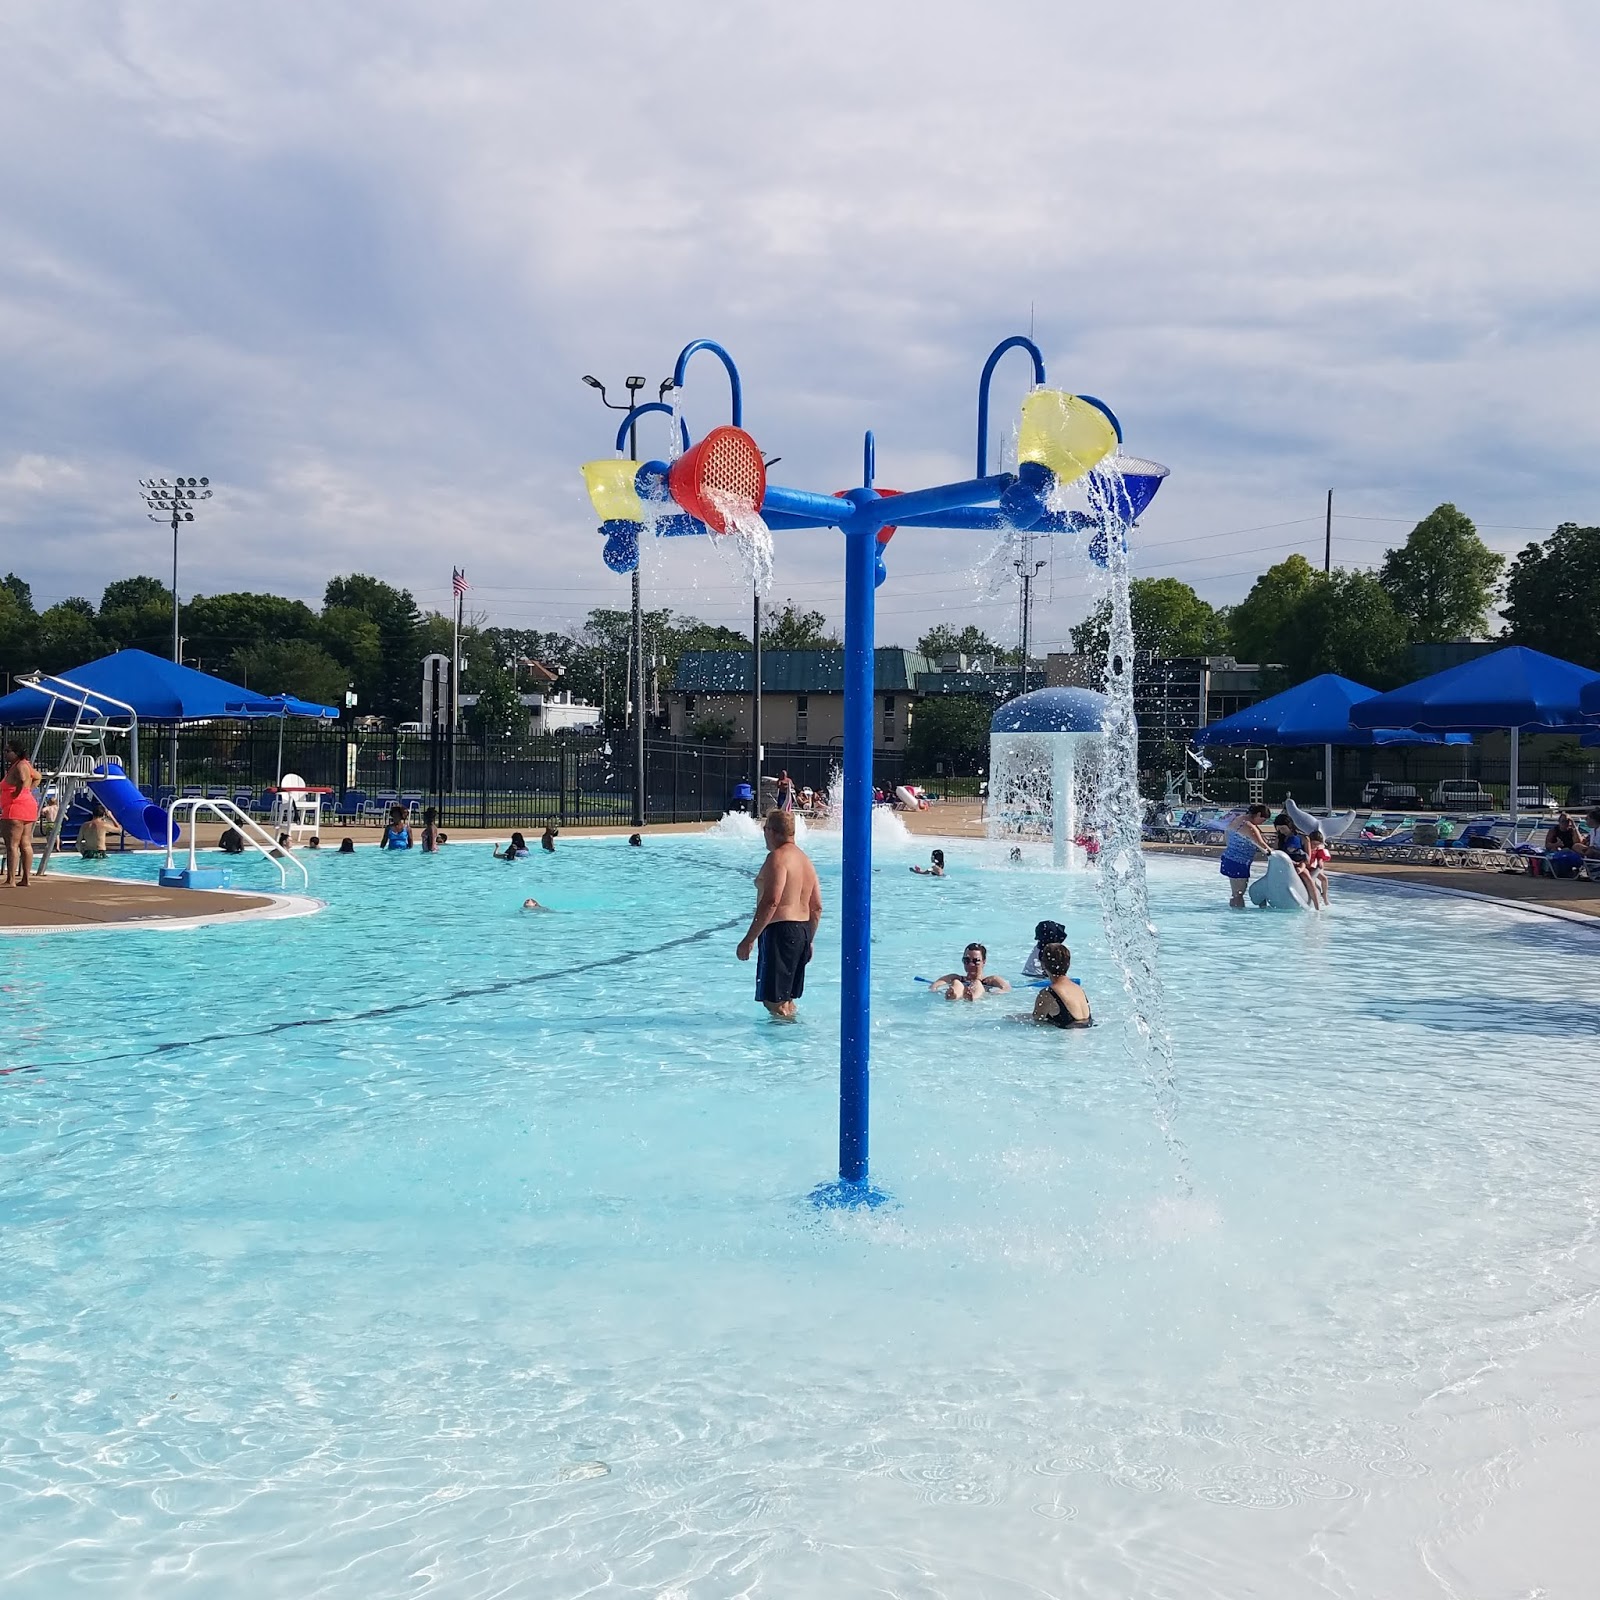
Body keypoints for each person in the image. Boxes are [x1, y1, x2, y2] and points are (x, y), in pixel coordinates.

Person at [737, 808, 822, 1020]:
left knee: (774, 1002)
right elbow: (817, 906)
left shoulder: (777, 858)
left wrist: (749, 939)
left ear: (772, 831)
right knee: (787, 1000)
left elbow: (772, 900)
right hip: (801, 931)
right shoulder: (806, 861)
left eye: (765, 829)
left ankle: (782, 1050)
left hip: (781, 932)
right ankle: (793, 1041)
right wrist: (808, 940)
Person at [2, 739, 42, 887]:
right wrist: (28, 790)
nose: (5, 753)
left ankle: (11, 879)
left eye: (7, 751)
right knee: (25, 843)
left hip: (15, 808)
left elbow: (22, 779)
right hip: (28, 805)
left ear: (16, 752)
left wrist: (17, 792)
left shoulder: (19, 766)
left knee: (12, 844)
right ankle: (26, 878)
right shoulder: (26, 764)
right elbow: (38, 777)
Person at [1220, 804, 1272, 908]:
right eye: (1263, 819)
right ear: (1258, 814)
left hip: (1229, 859)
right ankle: (1238, 917)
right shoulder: (1249, 826)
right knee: (1239, 894)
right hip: (1239, 863)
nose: (1263, 823)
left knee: (1236, 893)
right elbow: (1262, 844)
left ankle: (1234, 914)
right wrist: (1273, 853)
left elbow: (1227, 834)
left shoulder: (1238, 819)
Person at [1031, 943, 1092, 1028]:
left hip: (1066, 1038)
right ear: (1068, 964)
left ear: (1043, 965)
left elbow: (1037, 1020)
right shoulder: (1078, 989)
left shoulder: (1046, 994)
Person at [929, 942, 1012, 1002]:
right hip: (960, 989)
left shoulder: (991, 980)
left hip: (980, 992)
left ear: (984, 961)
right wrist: (936, 991)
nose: (971, 964)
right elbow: (935, 985)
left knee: (977, 983)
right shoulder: (956, 978)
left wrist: (992, 995)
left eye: (976, 961)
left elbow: (1006, 988)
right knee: (956, 982)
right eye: (967, 960)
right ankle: (954, 996)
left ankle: (973, 997)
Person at [1304, 828, 1332, 909]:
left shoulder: (1317, 848)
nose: (1314, 846)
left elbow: (1320, 857)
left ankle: (1325, 897)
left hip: (1312, 869)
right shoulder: (1305, 847)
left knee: (1324, 879)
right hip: (1305, 868)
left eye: (1317, 844)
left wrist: (1320, 861)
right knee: (1312, 882)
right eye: (1313, 844)